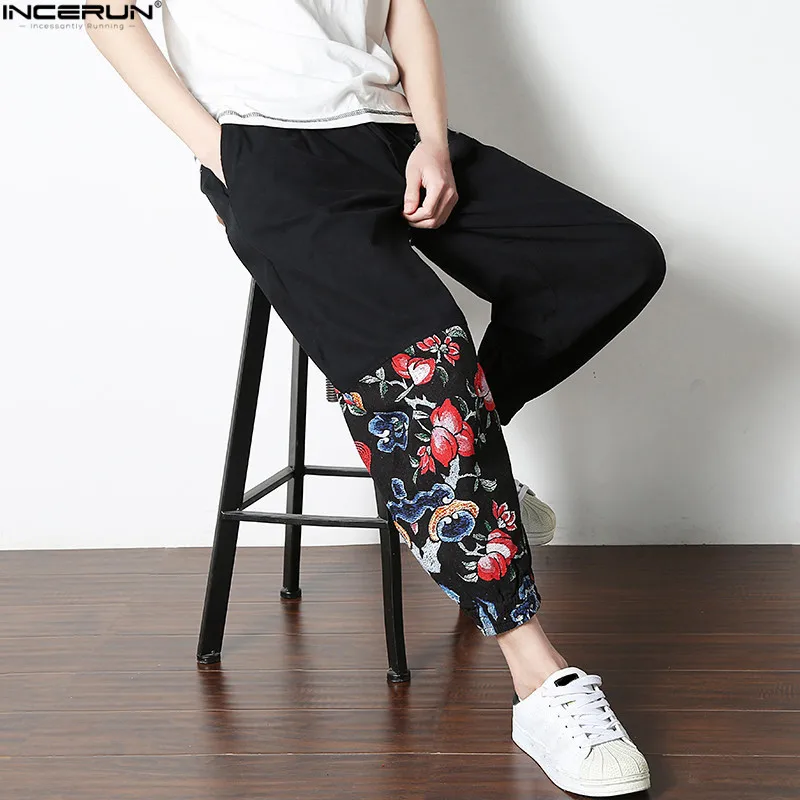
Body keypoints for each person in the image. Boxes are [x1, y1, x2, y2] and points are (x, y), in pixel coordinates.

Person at [86, 1, 665, 795]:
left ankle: (455, 475)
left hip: (389, 135)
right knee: (427, 361)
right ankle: (537, 678)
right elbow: (104, 16)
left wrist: (432, 140)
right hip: (264, 147)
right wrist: (220, 154)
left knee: (611, 260)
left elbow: (403, 12)